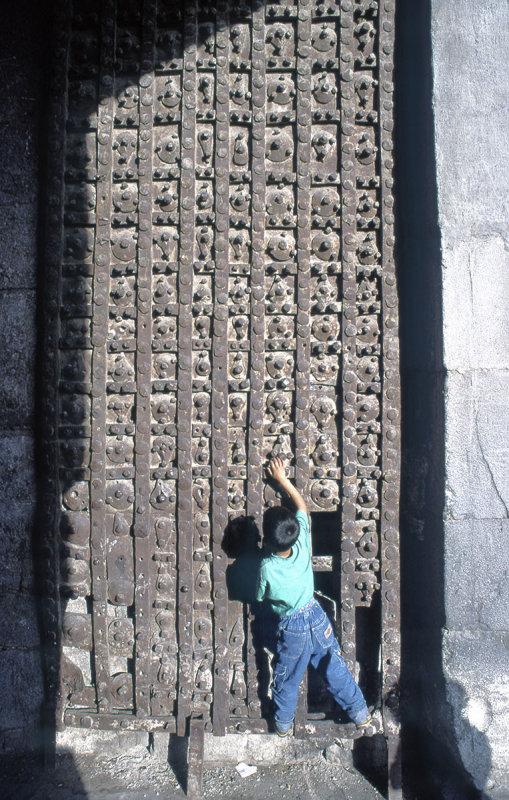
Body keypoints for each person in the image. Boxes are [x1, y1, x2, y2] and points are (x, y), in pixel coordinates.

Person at [256, 455, 371, 736]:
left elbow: (261, 596)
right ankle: (360, 714)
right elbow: (303, 509)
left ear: (267, 542)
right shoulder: (303, 543)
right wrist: (283, 480)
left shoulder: (267, 567)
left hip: (292, 626)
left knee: (287, 677)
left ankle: (283, 724)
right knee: (335, 667)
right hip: (316, 616)